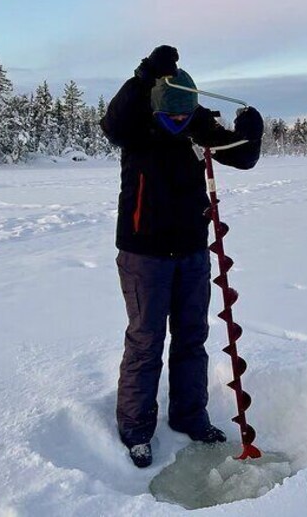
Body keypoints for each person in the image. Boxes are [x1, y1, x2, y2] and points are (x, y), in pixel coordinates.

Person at [100, 45, 264, 468]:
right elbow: (112, 122)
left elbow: (243, 155)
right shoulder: (137, 128)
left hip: (192, 252)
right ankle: (136, 428)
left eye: (182, 115)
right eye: (169, 115)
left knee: (192, 338)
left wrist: (251, 128)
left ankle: (190, 416)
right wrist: (143, 76)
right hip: (143, 255)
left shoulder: (196, 125)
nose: (176, 122)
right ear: (155, 107)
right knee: (146, 341)